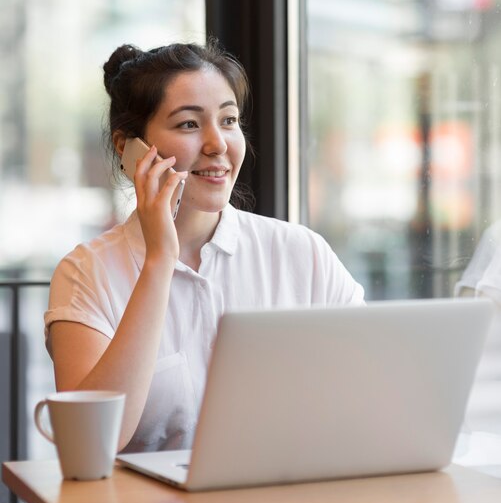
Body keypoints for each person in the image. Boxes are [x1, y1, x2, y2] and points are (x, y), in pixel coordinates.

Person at [44, 39, 365, 453]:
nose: (218, 145)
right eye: (189, 125)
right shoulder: (86, 273)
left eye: (228, 120)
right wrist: (160, 260)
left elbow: (367, 399)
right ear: (129, 148)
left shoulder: (303, 254)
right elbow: (87, 448)